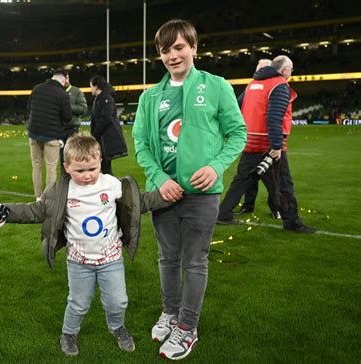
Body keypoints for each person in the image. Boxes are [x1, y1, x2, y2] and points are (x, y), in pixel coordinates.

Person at [132, 19, 247, 360]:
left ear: (194, 48)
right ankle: (170, 312)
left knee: (194, 261)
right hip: (162, 193)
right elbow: (141, 144)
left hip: (202, 194)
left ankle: (187, 327)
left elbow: (238, 133)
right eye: (165, 50)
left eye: (179, 47)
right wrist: (159, 179)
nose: (172, 56)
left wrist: (214, 166)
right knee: (167, 257)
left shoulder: (216, 86)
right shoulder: (151, 96)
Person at [5, 133, 169, 356]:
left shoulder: (111, 184)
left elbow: (139, 202)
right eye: (80, 171)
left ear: (100, 162)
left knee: (118, 301)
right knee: (78, 303)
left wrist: (166, 196)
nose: (87, 175)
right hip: (78, 263)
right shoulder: (60, 191)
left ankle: (117, 327)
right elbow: (35, 211)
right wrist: (3, 212)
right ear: (66, 167)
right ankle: (69, 333)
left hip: (111, 260)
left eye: (92, 168)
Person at [217, 55, 316, 233]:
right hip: (267, 144)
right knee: (283, 184)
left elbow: (237, 106)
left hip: (250, 141)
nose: (291, 72)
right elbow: (274, 117)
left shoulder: (252, 85)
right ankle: (291, 221)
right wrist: (277, 146)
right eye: (291, 69)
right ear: (285, 70)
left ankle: (223, 213)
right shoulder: (279, 85)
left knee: (241, 180)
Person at [234, 59, 281, 219]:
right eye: (258, 68)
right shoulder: (251, 86)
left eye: (263, 68)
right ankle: (248, 206)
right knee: (249, 178)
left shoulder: (275, 86)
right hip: (250, 141)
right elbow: (237, 104)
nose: (260, 72)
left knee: (272, 180)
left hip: (267, 141)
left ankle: (277, 208)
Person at [27, 69, 73, 200]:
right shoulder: (62, 93)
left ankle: (38, 196)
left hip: (34, 133)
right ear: (64, 80)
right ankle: (49, 198)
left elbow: (29, 109)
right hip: (52, 135)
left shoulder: (37, 88)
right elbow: (67, 117)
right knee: (51, 167)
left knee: (36, 166)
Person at [90, 76, 127, 175]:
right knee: (103, 165)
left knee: (105, 166)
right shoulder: (99, 98)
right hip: (101, 137)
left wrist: (95, 133)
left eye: (91, 86)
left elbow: (106, 117)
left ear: (96, 87)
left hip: (106, 137)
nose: (90, 89)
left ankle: (111, 187)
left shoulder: (106, 98)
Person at [59, 69, 88, 165]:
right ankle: (64, 179)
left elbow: (83, 108)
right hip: (58, 129)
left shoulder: (76, 91)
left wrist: (67, 106)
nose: (65, 81)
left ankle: (74, 178)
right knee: (61, 158)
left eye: (67, 78)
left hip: (72, 129)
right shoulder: (56, 91)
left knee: (73, 157)